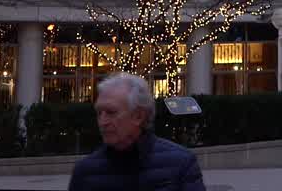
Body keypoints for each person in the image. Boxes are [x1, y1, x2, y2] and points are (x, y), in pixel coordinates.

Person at [67, 73, 205, 191]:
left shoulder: (181, 165)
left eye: (111, 112)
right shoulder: (85, 172)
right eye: (99, 113)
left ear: (138, 116)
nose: (102, 122)